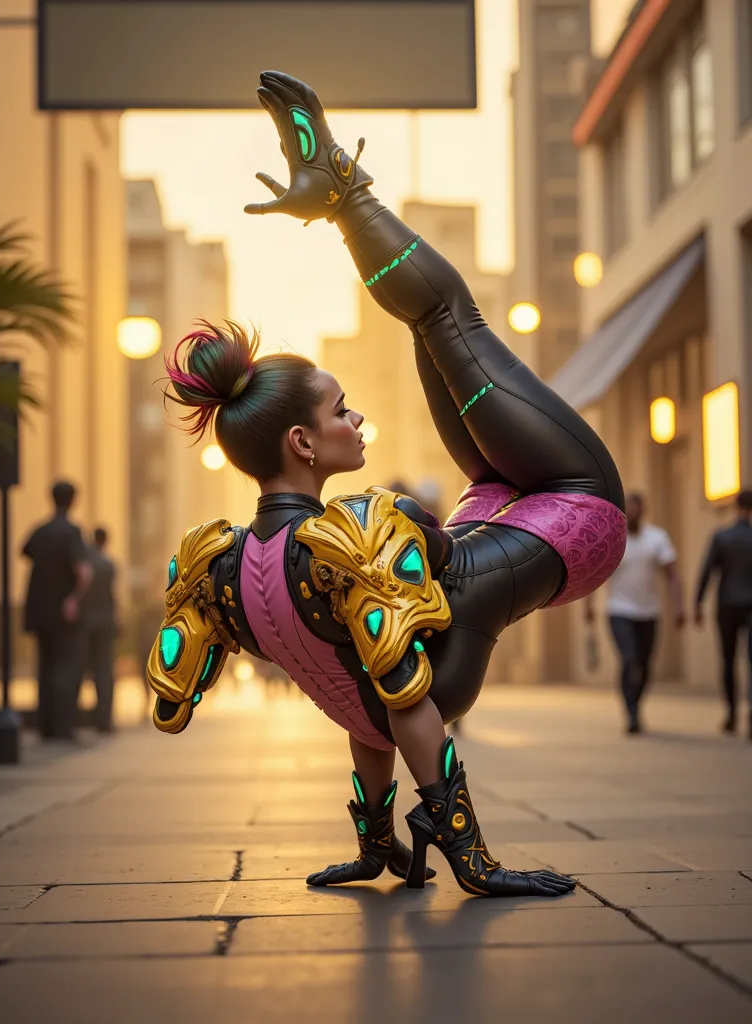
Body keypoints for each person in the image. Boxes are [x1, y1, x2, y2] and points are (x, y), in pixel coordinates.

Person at [147, 73, 627, 899]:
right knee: (445, 318)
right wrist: (473, 860)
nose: (356, 419)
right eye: (341, 411)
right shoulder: (348, 544)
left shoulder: (232, 566)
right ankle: (342, 191)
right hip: (575, 502)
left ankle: (337, 194)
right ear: (303, 442)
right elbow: (405, 708)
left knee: (432, 324)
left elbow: (359, 702)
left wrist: (375, 844)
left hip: (498, 513)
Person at [588, 493, 685, 734]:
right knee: (630, 659)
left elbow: (671, 573)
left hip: (649, 611)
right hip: (619, 610)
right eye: (628, 510)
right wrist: (588, 605)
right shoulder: (613, 538)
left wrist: (679, 605)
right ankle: (631, 712)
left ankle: (636, 703)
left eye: (636, 510)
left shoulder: (657, 538)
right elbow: (595, 572)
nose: (632, 514)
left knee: (645, 663)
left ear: (643, 511)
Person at [22, 481, 92, 740]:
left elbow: (25, 552)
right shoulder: (71, 532)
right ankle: (64, 728)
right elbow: (83, 573)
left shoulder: (40, 531)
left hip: (40, 611)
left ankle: (46, 728)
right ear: (72, 500)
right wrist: (73, 599)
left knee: (44, 667)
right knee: (66, 667)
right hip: (64, 613)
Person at [695, 489, 752, 736]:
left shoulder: (722, 536)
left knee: (728, 660)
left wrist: (697, 603)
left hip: (727, 605)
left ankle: (731, 714)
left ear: (735, 506)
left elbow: (707, 572)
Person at [81, 527, 119, 733]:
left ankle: (78, 719)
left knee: (81, 670)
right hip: (105, 624)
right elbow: (113, 598)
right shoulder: (109, 565)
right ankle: (104, 720)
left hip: (86, 624)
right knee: (104, 671)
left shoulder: (87, 564)